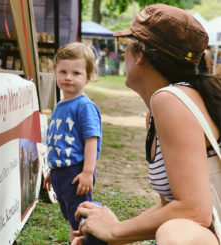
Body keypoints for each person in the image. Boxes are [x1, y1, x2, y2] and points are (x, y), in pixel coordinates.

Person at [72, 4, 221, 245]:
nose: (123, 54)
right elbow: (174, 205)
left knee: (175, 234)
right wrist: (114, 230)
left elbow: (194, 211)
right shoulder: (158, 110)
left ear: (140, 54)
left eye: (126, 45)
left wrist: (114, 232)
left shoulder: (171, 100)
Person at [43, 42, 105, 244]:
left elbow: (91, 141)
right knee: (72, 217)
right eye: (63, 71)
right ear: (55, 73)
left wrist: (87, 172)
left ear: (88, 77)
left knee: (80, 219)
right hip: (62, 172)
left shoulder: (84, 106)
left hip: (77, 172)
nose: (68, 77)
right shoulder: (62, 105)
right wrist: (54, 170)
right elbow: (62, 142)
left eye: (76, 73)